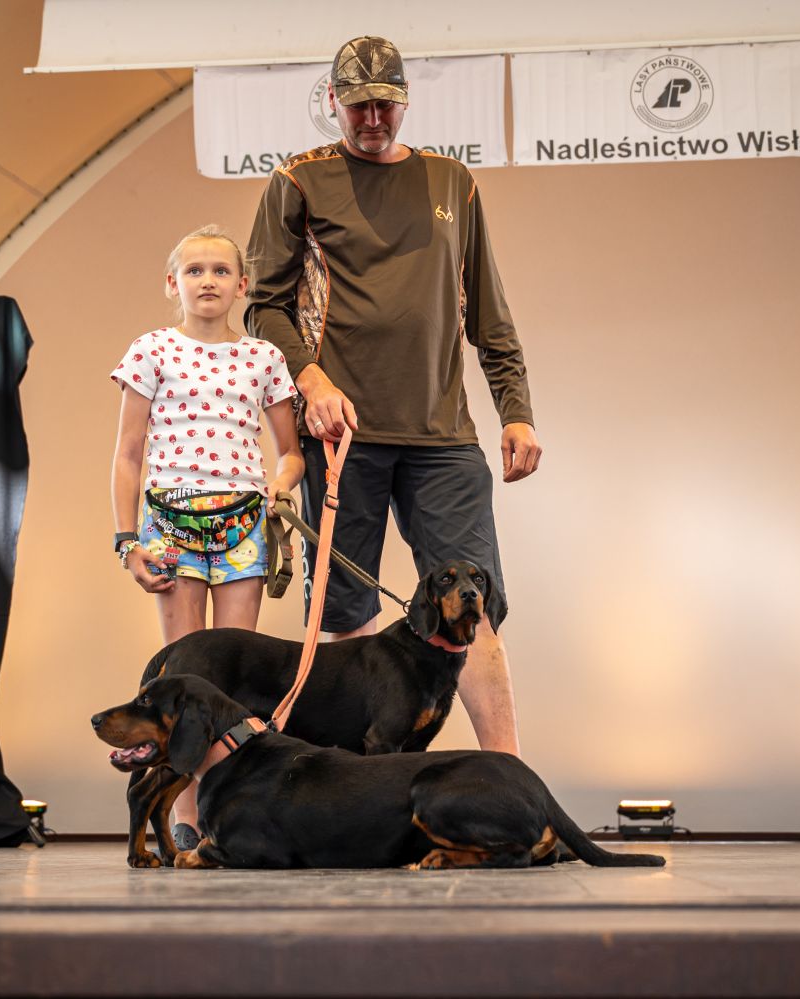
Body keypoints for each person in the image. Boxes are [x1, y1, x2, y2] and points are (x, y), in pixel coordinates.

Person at [244, 36, 542, 756]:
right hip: (342, 439)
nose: (373, 118)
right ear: (332, 102)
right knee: (348, 614)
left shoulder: (453, 182)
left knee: (477, 609)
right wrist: (311, 379)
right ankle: (356, 791)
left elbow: (489, 312)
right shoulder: (298, 181)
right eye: (358, 106)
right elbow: (263, 306)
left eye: (385, 104)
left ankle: (506, 780)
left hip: (443, 438)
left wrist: (516, 410)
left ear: (404, 101)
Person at [110, 224, 304, 846]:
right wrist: (127, 542)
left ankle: (228, 817)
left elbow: (291, 453)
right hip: (170, 523)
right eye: (194, 270)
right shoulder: (152, 351)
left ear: (243, 285)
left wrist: (280, 486)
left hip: (243, 522)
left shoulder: (264, 358)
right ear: (173, 283)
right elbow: (128, 454)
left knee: (232, 678)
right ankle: (184, 819)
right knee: (182, 678)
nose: (208, 281)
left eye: (221, 271)